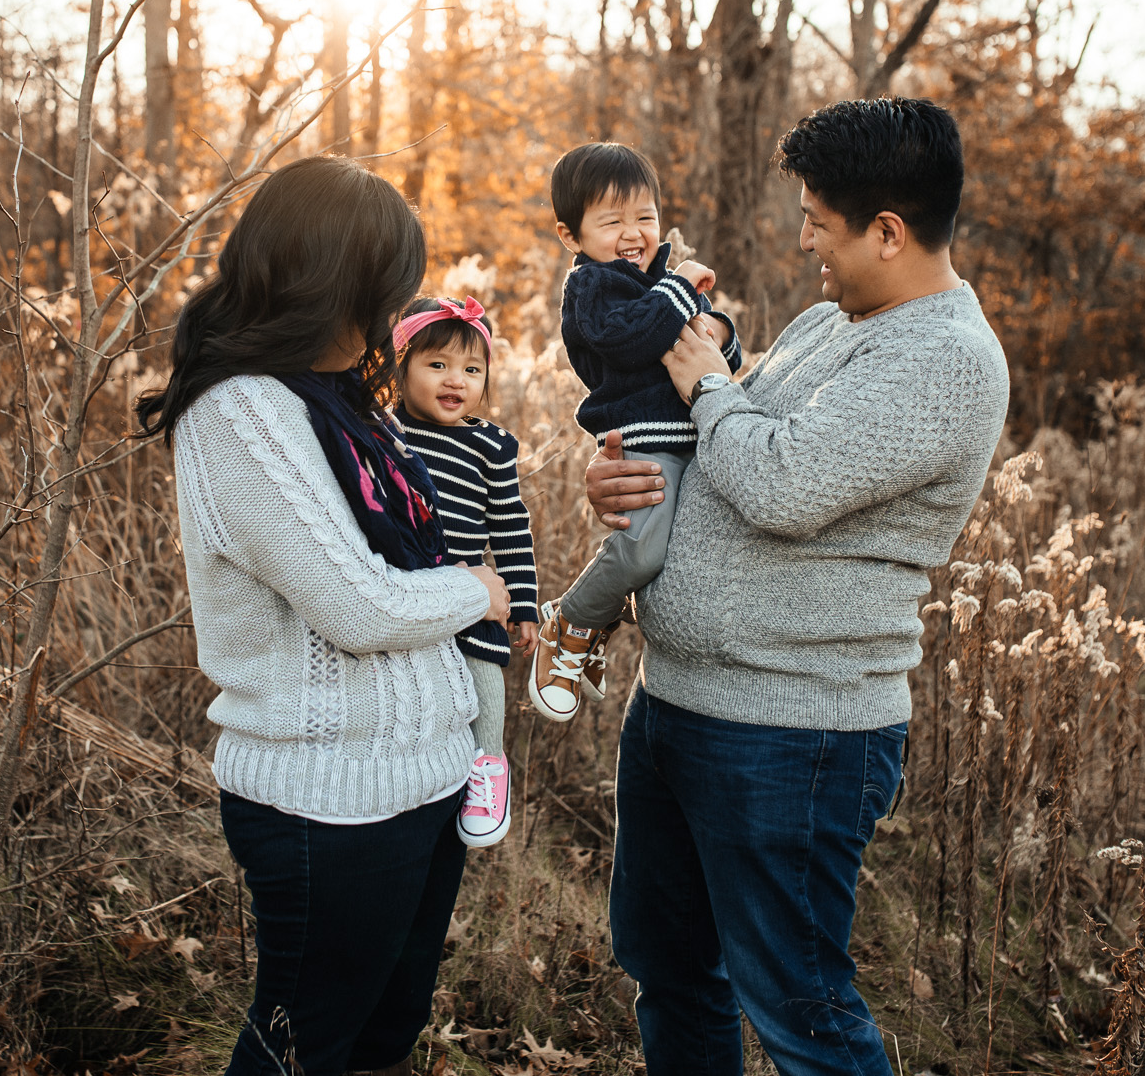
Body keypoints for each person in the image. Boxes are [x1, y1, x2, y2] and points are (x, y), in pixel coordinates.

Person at [589, 99, 1009, 1076]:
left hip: (792, 730)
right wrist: (627, 474)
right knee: (671, 969)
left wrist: (702, 383)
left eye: (818, 217)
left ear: (888, 232)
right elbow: (725, 446)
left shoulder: (943, 357)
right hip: (680, 703)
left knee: (800, 1009)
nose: (803, 235)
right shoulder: (832, 318)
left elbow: (783, 481)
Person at [137, 157, 513, 1076]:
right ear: (328, 282)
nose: (390, 317)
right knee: (305, 1047)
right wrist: (480, 592)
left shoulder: (344, 403)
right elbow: (359, 603)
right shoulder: (243, 410)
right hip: (328, 800)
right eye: (381, 292)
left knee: (383, 1037)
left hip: (419, 780)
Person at [527, 143, 742, 722]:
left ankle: (592, 628)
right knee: (642, 552)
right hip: (643, 440)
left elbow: (714, 356)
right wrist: (681, 289)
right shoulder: (593, 287)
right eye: (612, 219)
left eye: (644, 216)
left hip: (691, 440)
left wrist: (718, 329)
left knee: (670, 554)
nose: (633, 232)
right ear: (571, 236)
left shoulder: (655, 285)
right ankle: (570, 620)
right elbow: (630, 339)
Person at [389, 296, 540, 849]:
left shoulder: (492, 446)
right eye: (438, 365)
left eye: (472, 370)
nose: (456, 381)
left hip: (472, 592)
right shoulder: (382, 431)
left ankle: (489, 764)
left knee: (481, 667)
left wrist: (523, 604)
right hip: (406, 587)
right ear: (400, 366)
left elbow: (511, 528)